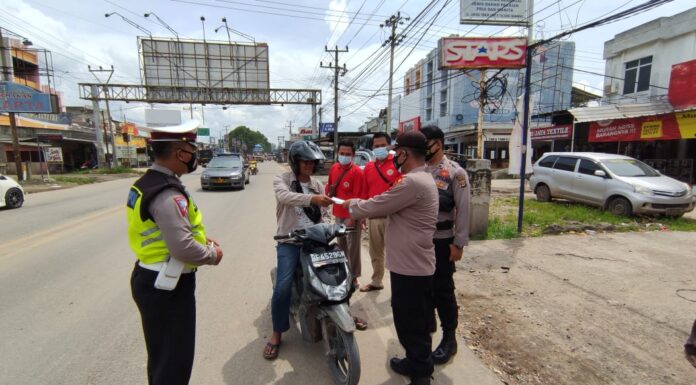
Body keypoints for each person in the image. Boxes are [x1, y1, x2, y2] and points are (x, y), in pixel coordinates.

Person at [127, 124, 224, 385]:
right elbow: (183, 247)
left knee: (162, 359)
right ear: (179, 153)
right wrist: (212, 254)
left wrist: (201, 238)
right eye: (191, 150)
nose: (194, 156)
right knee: (173, 364)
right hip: (167, 287)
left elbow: (170, 231)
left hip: (152, 278)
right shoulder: (167, 192)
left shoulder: (146, 183)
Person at [343, 131, 439, 385]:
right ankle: (414, 361)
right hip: (413, 263)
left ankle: (420, 374)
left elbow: (379, 205)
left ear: (405, 153)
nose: (395, 155)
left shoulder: (412, 182)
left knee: (412, 323)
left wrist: (350, 204)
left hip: (412, 267)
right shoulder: (420, 178)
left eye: (398, 151)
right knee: (411, 318)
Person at [264, 140, 333, 360]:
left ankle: (343, 311)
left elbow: (325, 213)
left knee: (338, 275)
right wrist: (312, 198)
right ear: (294, 162)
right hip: (289, 241)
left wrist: (331, 225)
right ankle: (277, 333)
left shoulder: (317, 185)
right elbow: (286, 198)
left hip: (315, 241)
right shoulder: (282, 180)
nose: (310, 165)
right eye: (305, 161)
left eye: (312, 161)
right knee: (283, 287)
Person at [420, 125, 471, 365]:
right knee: (424, 286)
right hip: (420, 242)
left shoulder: (455, 173)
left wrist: (459, 243)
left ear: (438, 143)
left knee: (443, 290)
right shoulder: (419, 169)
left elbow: (464, 211)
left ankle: (450, 338)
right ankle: (427, 324)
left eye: (425, 143)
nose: (423, 148)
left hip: (442, 241)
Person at [359, 132, 401, 292]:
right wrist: (363, 214)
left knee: (396, 253)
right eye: (376, 146)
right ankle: (377, 281)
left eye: (382, 145)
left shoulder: (398, 164)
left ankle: (399, 287)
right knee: (375, 252)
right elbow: (364, 192)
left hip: (395, 218)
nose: (379, 148)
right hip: (373, 216)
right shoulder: (369, 167)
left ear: (389, 145)